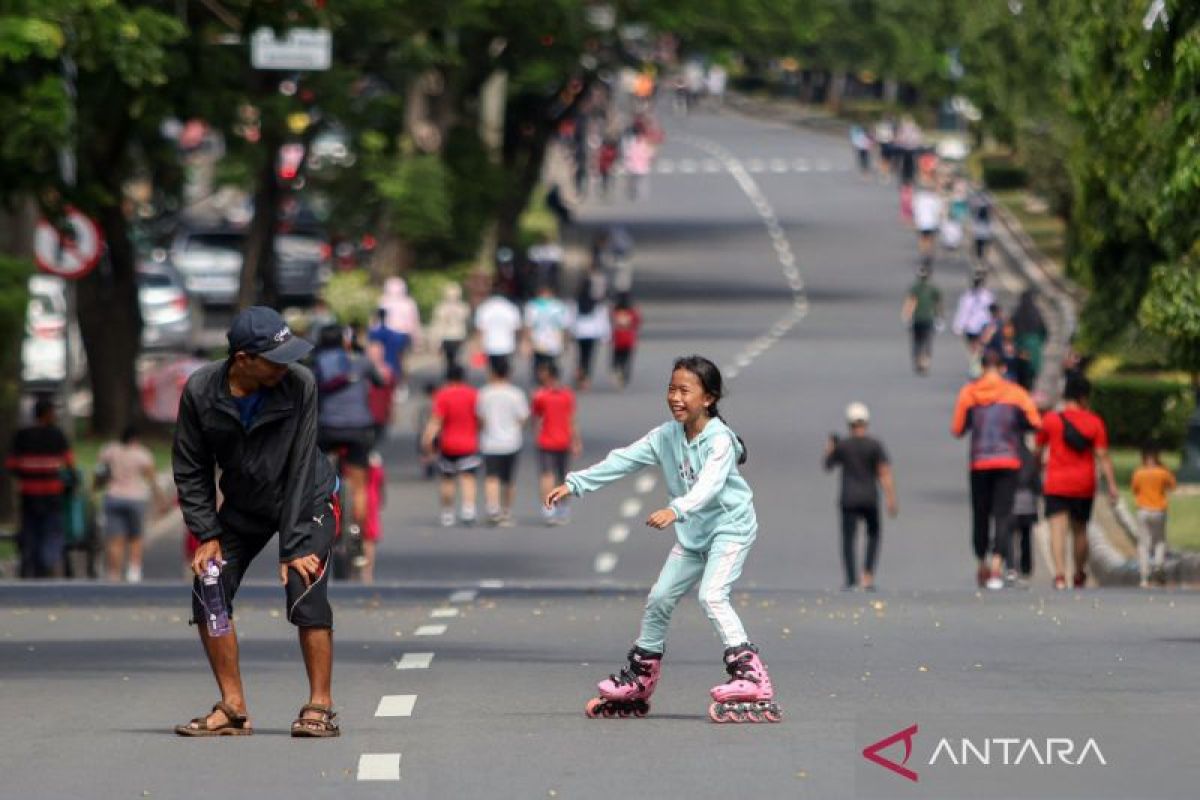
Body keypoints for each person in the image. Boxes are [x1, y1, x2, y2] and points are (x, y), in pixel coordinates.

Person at [544, 355, 781, 723]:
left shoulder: (720, 440)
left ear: (708, 398)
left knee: (712, 594)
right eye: (671, 389)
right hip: (693, 535)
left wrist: (677, 509)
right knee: (658, 598)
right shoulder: (666, 436)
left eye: (685, 391)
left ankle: (751, 676)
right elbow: (622, 460)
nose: (675, 397)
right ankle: (641, 678)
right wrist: (575, 484)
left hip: (730, 528)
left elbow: (709, 485)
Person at [173, 306, 341, 738]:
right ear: (243, 358)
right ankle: (233, 707)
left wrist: (294, 544)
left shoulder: (299, 384)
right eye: (276, 358)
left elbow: (302, 463)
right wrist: (206, 534)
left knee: (304, 583)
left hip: (308, 499)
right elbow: (191, 468)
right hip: (246, 506)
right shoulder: (201, 392)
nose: (287, 365)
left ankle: (320, 704)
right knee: (209, 585)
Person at [951, 349, 1042, 590]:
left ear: (982, 368)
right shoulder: (1016, 394)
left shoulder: (969, 393)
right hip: (1008, 462)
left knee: (980, 514)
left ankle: (981, 561)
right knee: (1003, 514)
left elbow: (957, 428)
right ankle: (997, 564)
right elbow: (1035, 422)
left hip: (979, 462)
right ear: (1003, 368)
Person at [1036, 374, 1118, 590]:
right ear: (1084, 398)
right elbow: (1102, 456)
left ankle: (1060, 576)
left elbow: (1038, 449)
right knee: (1080, 529)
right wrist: (1111, 485)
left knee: (1057, 528)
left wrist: (1035, 470)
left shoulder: (1051, 420)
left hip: (1056, 482)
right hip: (1083, 484)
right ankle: (1079, 573)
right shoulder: (1094, 422)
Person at [312, 324, 383, 570]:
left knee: (317, 478)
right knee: (359, 484)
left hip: (327, 428)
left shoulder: (317, 362)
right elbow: (380, 381)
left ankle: (319, 523)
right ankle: (357, 534)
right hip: (359, 428)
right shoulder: (361, 361)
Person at [823, 403, 897, 592]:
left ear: (849, 424)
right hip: (869, 497)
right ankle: (867, 574)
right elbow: (884, 471)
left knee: (848, 538)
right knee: (873, 534)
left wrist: (830, 447)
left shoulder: (844, 446)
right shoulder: (874, 445)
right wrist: (890, 498)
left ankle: (851, 578)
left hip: (848, 498)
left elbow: (828, 464)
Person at [6, 398, 74, 578]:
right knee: (51, 530)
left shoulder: (21, 436)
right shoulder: (57, 435)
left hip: (28, 494)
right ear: (46, 414)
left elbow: (12, 465)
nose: (55, 416)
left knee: (31, 531)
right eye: (53, 412)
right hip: (52, 494)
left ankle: (32, 564)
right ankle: (48, 562)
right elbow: (69, 464)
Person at [97, 425, 167, 583]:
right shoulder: (142, 454)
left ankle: (114, 574)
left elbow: (99, 472)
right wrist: (160, 499)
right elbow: (152, 479)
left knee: (115, 539)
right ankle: (133, 572)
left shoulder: (109, 451)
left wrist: (96, 488)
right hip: (136, 498)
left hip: (113, 496)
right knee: (136, 537)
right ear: (136, 438)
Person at [421, 364, 481, 527]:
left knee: (447, 479)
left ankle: (447, 512)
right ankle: (468, 510)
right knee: (468, 478)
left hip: (448, 444)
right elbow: (480, 418)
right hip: (469, 443)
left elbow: (436, 420)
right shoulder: (473, 394)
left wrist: (427, 439)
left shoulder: (442, 396)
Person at [477, 359, 530, 527]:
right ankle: (506, 511)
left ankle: (493, 509)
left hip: (490, 441)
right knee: (508, 480)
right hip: (511, 441)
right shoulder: (516, 394)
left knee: (491, 476)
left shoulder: (484, 393)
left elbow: (480, 417)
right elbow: (523, 418)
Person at [532, 362, 581, 525]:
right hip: (563, 440)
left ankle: (549, 508)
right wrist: (576, 441)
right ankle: (563, 508)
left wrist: (535, 434)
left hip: (546, 441)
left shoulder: (540, 395)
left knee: (547, 475)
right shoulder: (567, 395)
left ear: (548, 375)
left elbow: (536, 419)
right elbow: (571, 420)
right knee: (563, 477)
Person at [1131, 446, 1176, 587]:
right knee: (1160, 541)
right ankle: (1158, 564)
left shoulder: (1139, 473)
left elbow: (1134, 489)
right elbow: (1172, 485)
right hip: (1159, 510)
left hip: (1143, 510)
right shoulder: (1162, 472)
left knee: (1144, 543)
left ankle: (1144, 576)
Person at [572, 261, 611, 390]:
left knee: (580, 354)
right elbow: (602, 320)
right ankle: (586, 377)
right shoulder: (596, 303)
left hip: (579, 331)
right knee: (589, 356)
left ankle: (580, 371)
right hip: (592, 332)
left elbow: (570, 316)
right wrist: (606, 336)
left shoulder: (577, 301)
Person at [524, 283, 573, 379]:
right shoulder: (534, 306)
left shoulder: (557, 306)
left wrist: (565, 342)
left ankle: (547, 383)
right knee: (541, 365)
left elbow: (564, 327)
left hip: (551, 342)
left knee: (547, 365)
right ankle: (544, 383)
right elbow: (528, 326)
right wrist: (527, 342)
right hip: (540, 342)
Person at [952, 271, 995, 376]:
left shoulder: (988, 297)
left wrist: (992, 325)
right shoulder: (967, 297)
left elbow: (992, 312)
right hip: (971, 327)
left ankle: (979, 366)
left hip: (983, 326)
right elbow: (963, 311)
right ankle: (975, 366)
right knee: (973, 348)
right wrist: (958, 326)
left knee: (980, 348)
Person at [474, 283, 523, 376]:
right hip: (507, 344)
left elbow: (480, 328)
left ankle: (494, 384)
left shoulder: (485, 307)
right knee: (505, 369)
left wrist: (478, 344)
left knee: (492, 369)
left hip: (490, 344)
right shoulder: (510, 307)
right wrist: (519, 343)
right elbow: (516, 327)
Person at [1011, 434, 1041, 583]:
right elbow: (1036, 481)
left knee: (1009, 535)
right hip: (1028, 504)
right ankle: (1026, 566)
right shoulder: (1029, 457)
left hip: (1010, 502)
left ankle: (1010, 564)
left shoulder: (1008, 456)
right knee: (1026, 537)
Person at [901, 265, 942, 375]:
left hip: (918, 319)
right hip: (927, 318)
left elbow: (910, 303)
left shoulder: (916, 288)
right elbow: (938, 304)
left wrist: (906, 316)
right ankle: (925, 361)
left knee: (918, 341)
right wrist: (939, 318)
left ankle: (920, 360)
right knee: (927, 341)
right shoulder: (933, 289)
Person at [429, 283, 471, 373]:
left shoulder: (463, 307)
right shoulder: (441, 308)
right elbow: (438, 325)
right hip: (447, 337)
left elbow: (466, 321)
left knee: (457, 360)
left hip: (458, 336)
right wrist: (435, 341)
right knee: (449, 360)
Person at [1011, 289, 1048, 388]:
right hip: (1034, 349)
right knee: (1031, 377)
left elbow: (1010, 332)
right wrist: (1039, 342)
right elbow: (1045, 332)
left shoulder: (1017, 313)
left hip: (1021, 348)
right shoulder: (1036, 313)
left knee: (1020, 377)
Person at [377, 277, 422, 350]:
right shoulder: (408, 303)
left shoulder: (383, 301)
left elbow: (379, 320)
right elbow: (414, 322)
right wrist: (416, 339)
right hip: (401, 333)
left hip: (391, 334)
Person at [610, 292, 642, 389]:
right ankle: (624, 375)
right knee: (626, 359)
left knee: (617, 357)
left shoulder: (615, 312)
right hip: (629, 339)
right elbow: (637, 322)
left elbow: (610, 321)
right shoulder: (631, 312)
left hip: (618, 338)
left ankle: (617, 371)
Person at [912, 183, 944, 261]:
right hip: (931, 222)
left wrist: (915, 220)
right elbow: (939, 211)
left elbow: (915, 209)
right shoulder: (936, 198)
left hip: (922, 222)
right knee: (930, 239)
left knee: (923, 238)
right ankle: (928, 254)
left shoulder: (919, 197)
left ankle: (924, 254)